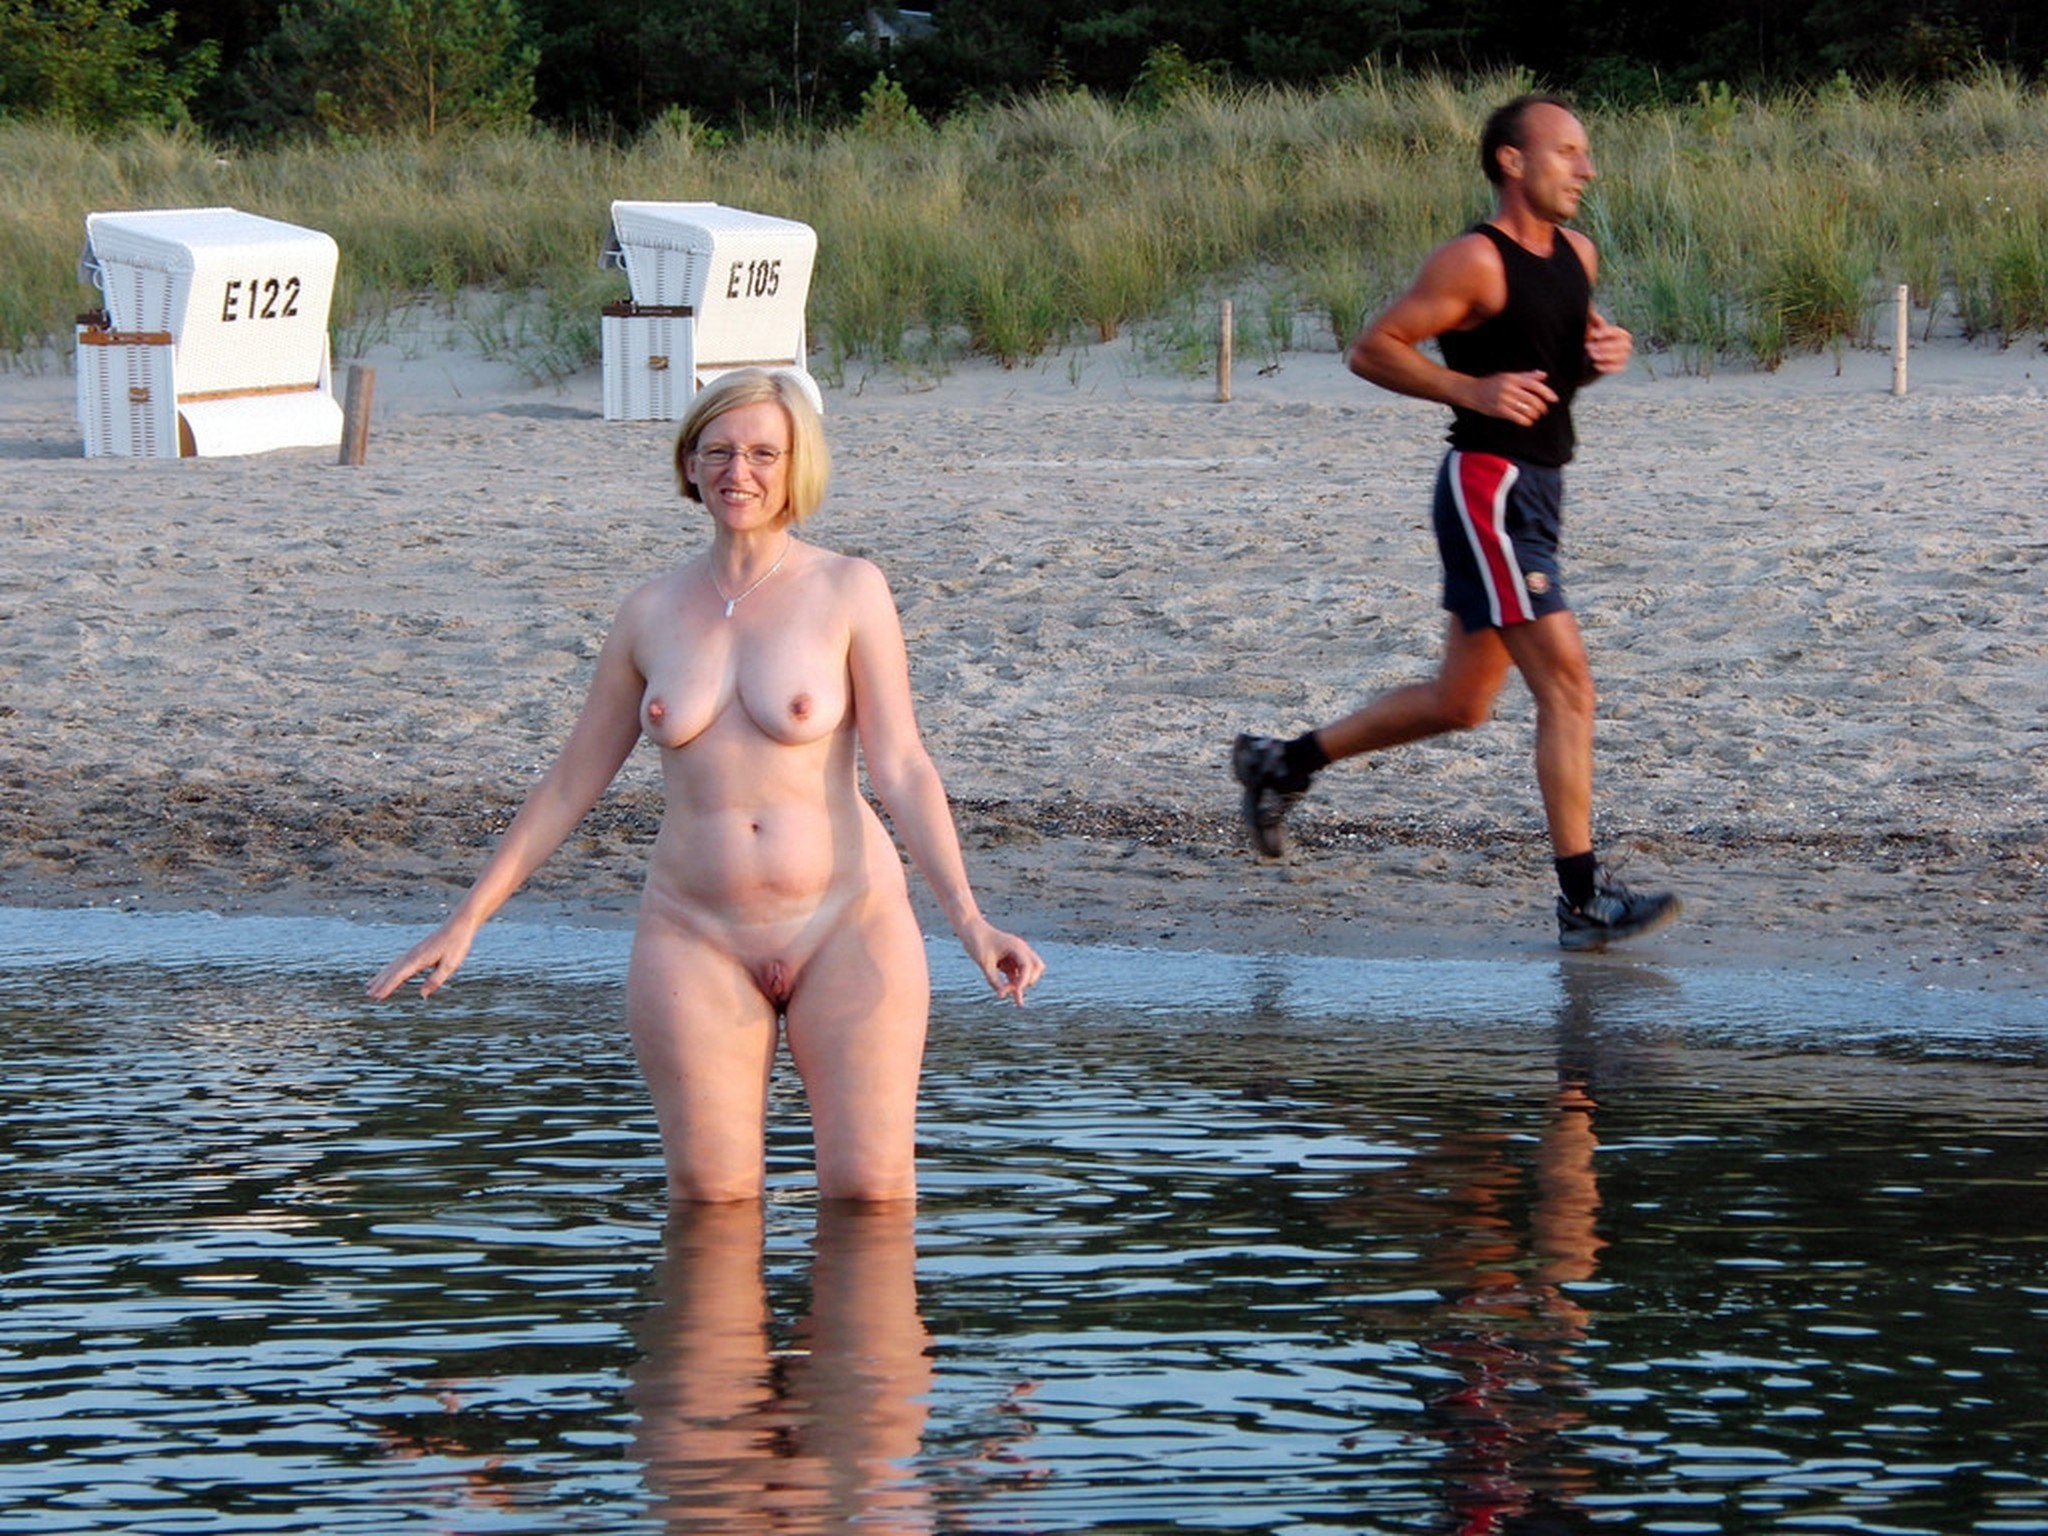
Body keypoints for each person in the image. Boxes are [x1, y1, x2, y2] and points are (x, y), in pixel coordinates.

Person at [368, 367, 1044, 1202]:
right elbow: (572, 780)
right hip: (694, 933)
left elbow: (902, 764)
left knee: (870, 1199)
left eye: (764, 453)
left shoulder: (849, 589)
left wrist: (970, 922)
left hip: (845, 920)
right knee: (710, 1208)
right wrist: (467, 918)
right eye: (718, 450)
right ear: (689, 462)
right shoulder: (649, 611)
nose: (739, 472)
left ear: (797, 466)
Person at [1231, 94, 1679, 950]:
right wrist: (1468, 388)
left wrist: (1600, 358)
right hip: (1489, 489)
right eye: (1568, 152)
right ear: (1513, 160)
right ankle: (1582, 900)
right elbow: (1375, 348)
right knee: (1569, 688)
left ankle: (1282, 762)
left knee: (1461, 701)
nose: (1587, 169)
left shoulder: (1578, 255)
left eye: (1586, 153)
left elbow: (1550, 375)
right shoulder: (1474, 260)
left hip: (1536, 489)